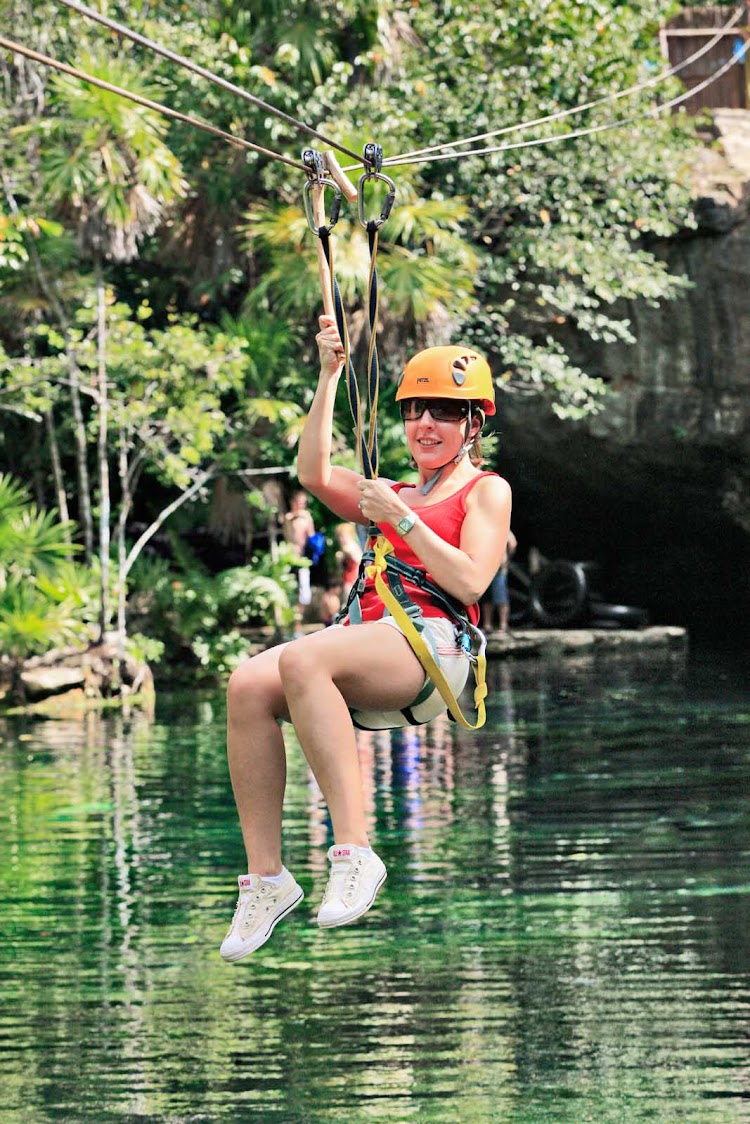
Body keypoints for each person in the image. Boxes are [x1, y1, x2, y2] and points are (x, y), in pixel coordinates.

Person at [220, 321, 512, 962]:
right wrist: (328, 377)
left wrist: (401, 518)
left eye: (444, 413)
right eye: (415, 412)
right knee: (245, 684)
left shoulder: (486, 490)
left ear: (473, 425)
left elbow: (470, 578)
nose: (426, 425)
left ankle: (354, 850)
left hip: (434, 646)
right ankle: (267, 878)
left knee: (303, 655)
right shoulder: (394, 491)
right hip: (367, 638)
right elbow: (314, 469)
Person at [283, 489, 315, 627]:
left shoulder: (306, 517)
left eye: (303, 503)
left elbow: (311, 536)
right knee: (289, 592)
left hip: (302, 559)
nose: (300, 505)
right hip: (289, 558)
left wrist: (304, 518)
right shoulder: (288, 518)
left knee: (304, 593)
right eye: (298, 502)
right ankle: (291, 624)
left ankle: (298, 623)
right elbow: (287, 533)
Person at [481, 528, 518, 634]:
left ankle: (503, 625)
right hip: (487, 568)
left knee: (501, 598)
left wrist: (506, 557)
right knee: (487, 598)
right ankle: (487, 625)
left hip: (499, 568)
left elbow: (513, 543)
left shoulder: (504, 528)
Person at [334, 521, 363, 602]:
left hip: (353, 580)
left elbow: (359, 560)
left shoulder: (351, 547)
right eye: (339, 536)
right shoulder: (346, 548)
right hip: (348, 580)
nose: (341, 539)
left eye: (343, 536)